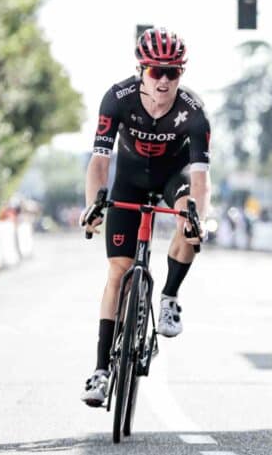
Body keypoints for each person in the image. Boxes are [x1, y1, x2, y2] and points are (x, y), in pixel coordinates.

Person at [79, 27, 211, 407]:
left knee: (190, 217)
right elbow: (100, 162)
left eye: (174, 72)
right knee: (118, 273)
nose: (165, 80)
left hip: (175, 178)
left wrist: (196, 219)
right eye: (157, 72)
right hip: (130, 181)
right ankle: (101, 370)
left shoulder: (194, 110)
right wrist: (93, 206)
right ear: (141, 70)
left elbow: (201, 179)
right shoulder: (116, 98)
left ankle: (169, 295)